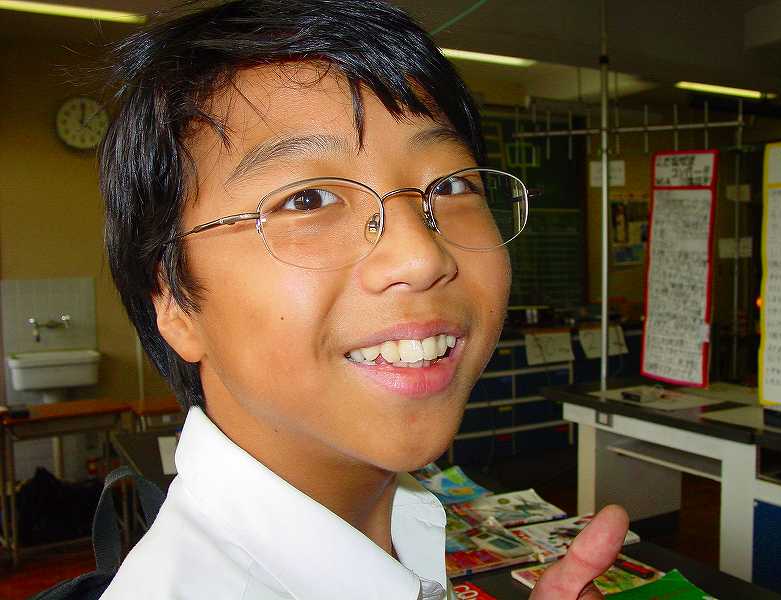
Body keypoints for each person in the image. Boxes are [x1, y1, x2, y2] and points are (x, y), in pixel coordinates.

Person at [98, 1, 629, 598]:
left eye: (453, 184)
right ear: (174, 299)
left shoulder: (394, 518)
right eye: (307, 200)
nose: (422, 256)